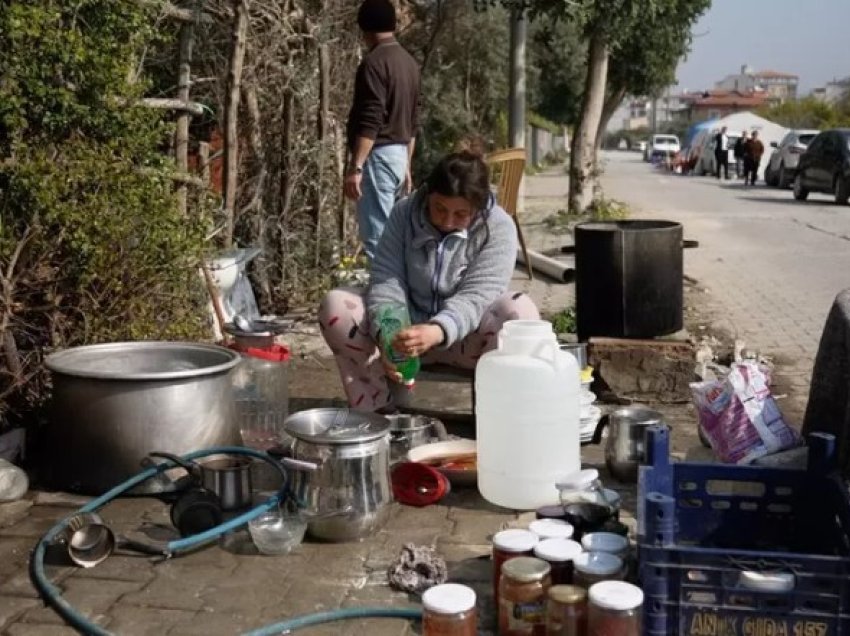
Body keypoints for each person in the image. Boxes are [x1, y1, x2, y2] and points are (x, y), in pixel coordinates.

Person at [319, 151, 540, 412]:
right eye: (440, 209)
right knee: (337, 306)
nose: (447, 221)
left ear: (478, 209)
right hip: (407, 338)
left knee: (520, 311)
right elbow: (388, 279)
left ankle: (495, 417)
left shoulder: (499, 227)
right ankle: (376, 411)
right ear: (427, 196)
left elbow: (479, 295)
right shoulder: (404, 213)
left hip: (466, 340)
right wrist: (390, 337)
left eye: (460, 214)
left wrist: (437, 330)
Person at [344, 0, 421, 263]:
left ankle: (387, 302)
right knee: (396, 237)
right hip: (399, 155)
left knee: (378, 240)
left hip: (378, 156)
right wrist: (407, 166)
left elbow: (371, 118)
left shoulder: (374, 63)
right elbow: (412, 121)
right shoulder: (409, 63)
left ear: (364, 28)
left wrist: (356, 166)